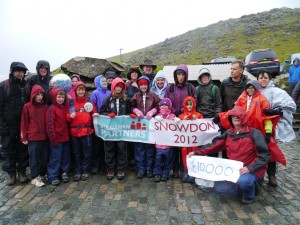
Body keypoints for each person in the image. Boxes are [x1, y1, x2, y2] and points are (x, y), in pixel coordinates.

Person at [188, 106, 270, 204]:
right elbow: (214, 145)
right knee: (220, 188)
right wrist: (196, 152)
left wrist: (250, 168)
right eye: (233, 116)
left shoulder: (254, 133)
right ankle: (242, 187)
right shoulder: (229, 133)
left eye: (238, 116)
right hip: (233, 170)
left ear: (243, 118)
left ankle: (250, 194)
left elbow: (264, 156)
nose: (236, 118)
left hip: (250, 169)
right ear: (230, 119)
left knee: (244, 182)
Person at [257, 70, 296, 187]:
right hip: (258, 126)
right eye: (261, 77)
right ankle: (260, 174)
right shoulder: (254, 91)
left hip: (272, 127)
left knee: (271, 150)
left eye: (265, 77)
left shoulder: (277, 91)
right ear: (257, 79)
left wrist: (276, 111)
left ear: (269, 79)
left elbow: (290, 105)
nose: (263, 80)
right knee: (257, 151)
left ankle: (272, 175)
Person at [0, 62, 30, 185]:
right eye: (17, 70)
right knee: (8, 150)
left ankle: (22, 171)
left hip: (23, 125)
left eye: (22, 71)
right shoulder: (4, 85)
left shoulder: (27, 87)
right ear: (12, 71)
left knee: (23, 149)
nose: (20, 73)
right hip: (8, 125)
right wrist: (1, 125)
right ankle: (11, 174)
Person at [164, 64, 196, 178]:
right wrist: (174, 111)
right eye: (178, 74)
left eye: (182, 74)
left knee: (184, 145)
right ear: (175, 76)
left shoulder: (190, 88)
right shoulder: (170, 88)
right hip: (173, 120)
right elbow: (166, 101)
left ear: (186, 75)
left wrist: (184, 111)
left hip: (187, 121)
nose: (180, 77)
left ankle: (184, 167)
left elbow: (194, 101)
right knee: (174, 145)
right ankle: (175, 167)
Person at [100, 78, 130, 180]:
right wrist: (109, 114)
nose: (118, 88)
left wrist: (132, 115)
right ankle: (111, 169)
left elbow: (129, 112)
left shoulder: (126, 99)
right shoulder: (108, 99)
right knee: (109, 149)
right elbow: (101, 112)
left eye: (120, 86)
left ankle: (121, 169)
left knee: (122, 149)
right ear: (113, 87)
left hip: (121, 129)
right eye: (117, 86)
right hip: (110, 130)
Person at [66, 81, 97, 181]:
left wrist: (95, 114)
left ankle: (85, 170)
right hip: (74, 132)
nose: (81, 91)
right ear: (75, 91)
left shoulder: (89, 102)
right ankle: (78, 171)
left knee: (87, 152)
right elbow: (66, 117)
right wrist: (70, 117)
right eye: (79, 89)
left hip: (86, 131)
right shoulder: (71, 103)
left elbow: (94, 112)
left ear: (85, 91)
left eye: (82, 89)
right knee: (76, 152)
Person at [131, 75, 160, 179]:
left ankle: (149, 169)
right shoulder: (136, 95)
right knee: (139, 149)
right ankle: (141, 169)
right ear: (139, 85)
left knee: (149, 149)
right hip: (139, 127)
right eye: (141, 84)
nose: (143, 86)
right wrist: (136, 111)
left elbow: (158, 105)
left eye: (145, 84)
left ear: (148, 85)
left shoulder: (153, 95)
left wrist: (153, 111)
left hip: (150, 127)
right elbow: (131, 106)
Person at [20, 85, 49, 187]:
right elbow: (24, 123)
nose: (40, 97)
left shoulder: (45, 107)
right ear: (33, 95)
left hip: (44, 137)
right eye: (37, 94)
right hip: (33, 137)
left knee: (45, 157)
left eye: (41, 94)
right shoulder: (27, 107)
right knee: (34, 158)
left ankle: (42, 174)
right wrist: (23, 137)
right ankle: (35, 177)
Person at [46, 88, 70, 185]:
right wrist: (53, 138)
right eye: (59, 97)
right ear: (54, 97)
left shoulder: (63, 108)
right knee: (55, 158)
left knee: (65, 157)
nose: (61, 99)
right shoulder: (51, 108)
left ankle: (64, 173)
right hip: (56, 139)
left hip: (65, 137)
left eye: (63, 97)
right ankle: (53, 176)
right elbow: (50, 125)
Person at [178, 96, 203, 183]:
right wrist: (182, 121)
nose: (189, 107)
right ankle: (186, 170)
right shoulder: (181, 116)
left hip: (195, 141)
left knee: (194, 154)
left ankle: (194, 171)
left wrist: (197, 121)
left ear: (194, 105)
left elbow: (203, 127)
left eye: (190, 105)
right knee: (184, 155)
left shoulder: (199, 115)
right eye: (187, 105)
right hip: (185, 141)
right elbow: (177, 129)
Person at [89, 74, 111, 174]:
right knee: (97, 145)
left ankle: (107, 164)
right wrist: (94, 113)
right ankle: (96, 165)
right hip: (98, 122)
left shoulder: (110, 93)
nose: (105, 82)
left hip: (108, 121)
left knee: (107, 145)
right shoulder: (95, 93)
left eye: (105, 81)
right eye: (102, 81)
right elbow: (92, 106)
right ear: (98, 82)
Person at [153, 98, 176, 182]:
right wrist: (156, 118)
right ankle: (157, 173)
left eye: (166, 105)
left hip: (168, 145)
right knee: (158, 160)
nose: (164, 107)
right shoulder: (157, 116)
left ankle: (165, 173)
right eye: (162, 105)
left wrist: (177, 121)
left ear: (169, 106)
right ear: (160, 106)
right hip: (159, 144)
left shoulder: (172, 116)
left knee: (167, 160)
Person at [125, 67, 142, 167]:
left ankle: (137, 158)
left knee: (139, 136)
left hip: (140, 114)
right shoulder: (127, 84)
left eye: (136, 72)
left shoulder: (141, 83)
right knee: (130, 136)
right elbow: (125, 97)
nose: (134, 74)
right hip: (130, 113)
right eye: (132, 72)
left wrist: (138, 87)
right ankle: (131, 158)